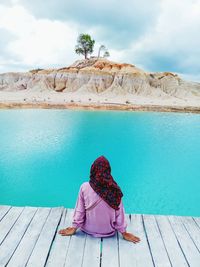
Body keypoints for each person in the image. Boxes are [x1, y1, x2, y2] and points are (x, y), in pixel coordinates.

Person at [59, 155, 140, 243]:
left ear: (93, 169)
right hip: (108, 231)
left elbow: (80, 210)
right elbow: (119, 214)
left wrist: (74, 228)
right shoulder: (115, 190)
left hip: (88, 229)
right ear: (108, 170)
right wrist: (124, 233)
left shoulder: (84, 187)